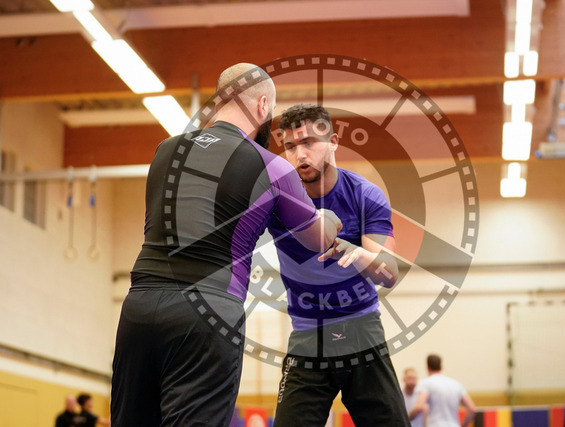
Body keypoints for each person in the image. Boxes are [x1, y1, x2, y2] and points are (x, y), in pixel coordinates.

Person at [111, 65, 342, 426]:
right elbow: (319, 240)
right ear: (262, 105)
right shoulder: (272, 167)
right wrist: (329, 214)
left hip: (139, 307)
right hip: (207, 309)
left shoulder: (166, 150)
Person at [269, 104, 409, 426]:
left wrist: (358, 254)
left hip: (362, 332)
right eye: (290, 146)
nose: (299, 154)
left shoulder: (364, 195)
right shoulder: (277, 200)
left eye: (308, 143)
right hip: (308, 337)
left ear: (333, 142)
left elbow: (390, 273)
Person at [410, 354, 476, 427]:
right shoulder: (456, 384)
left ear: (427, 368)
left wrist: (407, 418)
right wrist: (464, 425)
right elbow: (472, 409)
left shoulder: (426, 383)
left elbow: (419, 407)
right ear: (441, 367)